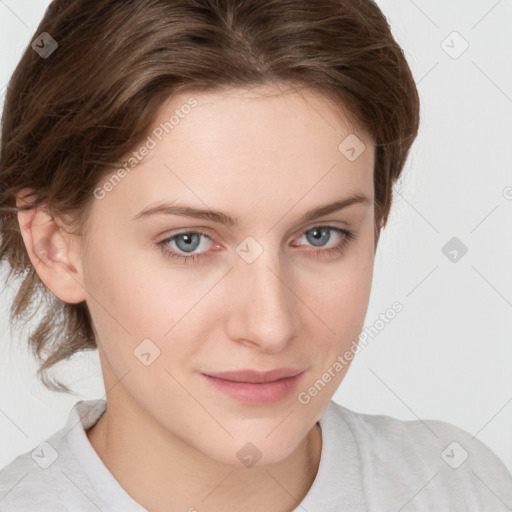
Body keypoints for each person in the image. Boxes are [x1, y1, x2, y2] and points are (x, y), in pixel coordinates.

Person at [0, 0, 510, 511]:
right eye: (189, 241)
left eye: (320, 235)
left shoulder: (459, 486)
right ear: (55, 247)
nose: (271, 327)